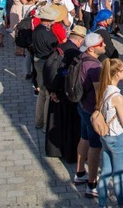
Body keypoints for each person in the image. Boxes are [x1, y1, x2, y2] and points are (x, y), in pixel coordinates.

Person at [96, 58, 123, 208]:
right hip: (118, 137)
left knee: (105, 172)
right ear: (117, 73)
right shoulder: (117, 97)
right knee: (119, 175)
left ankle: (102, 204)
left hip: (105, 136)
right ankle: (122, 203)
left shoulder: (103, 89)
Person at [46, 25, 85, 164]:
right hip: (67, 93)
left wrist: (52, 90)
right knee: (70, 125)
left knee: (57, 121)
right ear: (80, 39)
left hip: (55, 90)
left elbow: (49, 68)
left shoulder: (60, 47)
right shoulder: (75, 53)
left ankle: (55, 150)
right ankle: (69, 153)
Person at [76, 33, 106, 198]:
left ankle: (80, 173)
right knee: (95, 146)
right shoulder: (94, 67)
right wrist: (101, 112)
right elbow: (98, 92)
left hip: (81, 106)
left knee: (83, 138)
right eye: (102, 44)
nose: (105, 46)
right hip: (91, 109)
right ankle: (92, 184)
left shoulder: (81, 57)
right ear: (92, 48)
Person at [32, 4, 61, 129]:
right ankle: (45, 125)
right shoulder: (47, 33)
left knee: (42, 93)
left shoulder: (37, 30)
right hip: (45, 63)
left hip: (37, 60)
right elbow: (54, 45)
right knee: (48, 94)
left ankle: (38, 121)